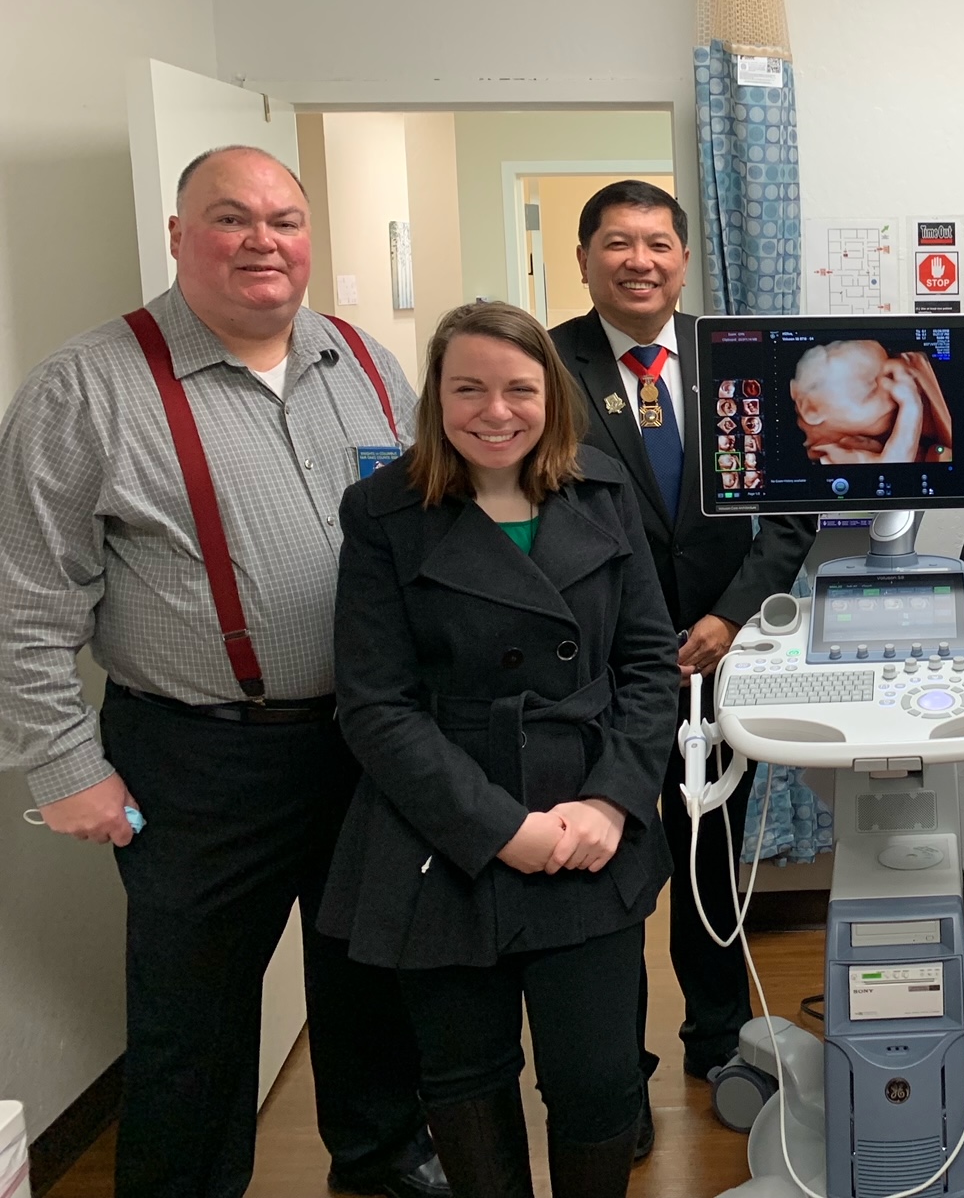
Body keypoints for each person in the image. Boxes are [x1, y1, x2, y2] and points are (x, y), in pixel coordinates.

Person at [0, 146, 444, 1198]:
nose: (262, 242)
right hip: (197, 763)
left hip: (367, 745)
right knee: (191, 1022)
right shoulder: (85, 388)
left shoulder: (366, 363)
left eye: (284, 220)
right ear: (177, 234)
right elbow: (24, 603)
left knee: (373, 981)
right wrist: (65, 768)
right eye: (231, 218)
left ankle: (383, 1163)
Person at [320, 301, 681, 1198]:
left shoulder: (603, 491)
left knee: (597, 1079)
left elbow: (648, 665)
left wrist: (611, 801)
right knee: (466, 1080)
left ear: (550, 397)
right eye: (468, 389)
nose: (495, 411)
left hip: (587, 817)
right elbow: (376, 705)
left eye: (520, 389)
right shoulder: (383, 511)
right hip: (443, 825)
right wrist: (497, 829)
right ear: (434, 397)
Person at [545, 180, 814, 1109]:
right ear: (584, 259)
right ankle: (615, 1083)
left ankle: (719, 1044)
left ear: (685, 259)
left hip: (716, 656)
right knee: (607, 874)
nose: (640, 261)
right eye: (618, 243)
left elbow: (789, 509)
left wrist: (733, 615)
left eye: (658, 244)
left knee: (710, 861)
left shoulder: (737, 358)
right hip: (596, 668)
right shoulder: (544, 367)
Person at [791, 339, 955, 463]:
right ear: (811, 409)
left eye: (889, 376)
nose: (894, 390)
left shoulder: (855, 437)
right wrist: (911, 408)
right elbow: (892, 466)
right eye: (868, 390)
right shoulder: (828, 455)